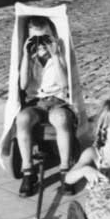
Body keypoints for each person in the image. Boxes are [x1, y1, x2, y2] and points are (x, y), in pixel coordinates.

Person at [12, 15, 76, 196]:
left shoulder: (60, 53)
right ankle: (28, 172)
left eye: (45, 37)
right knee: (22, 119)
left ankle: (65, 170)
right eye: (36, 38)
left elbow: (64, 84)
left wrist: (55, 55)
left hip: (57, 101)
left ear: (53, 35)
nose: (41, 43)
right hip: (36, 103)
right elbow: (23, 85)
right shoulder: (29, 56)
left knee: (62, 118)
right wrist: (26, 56)